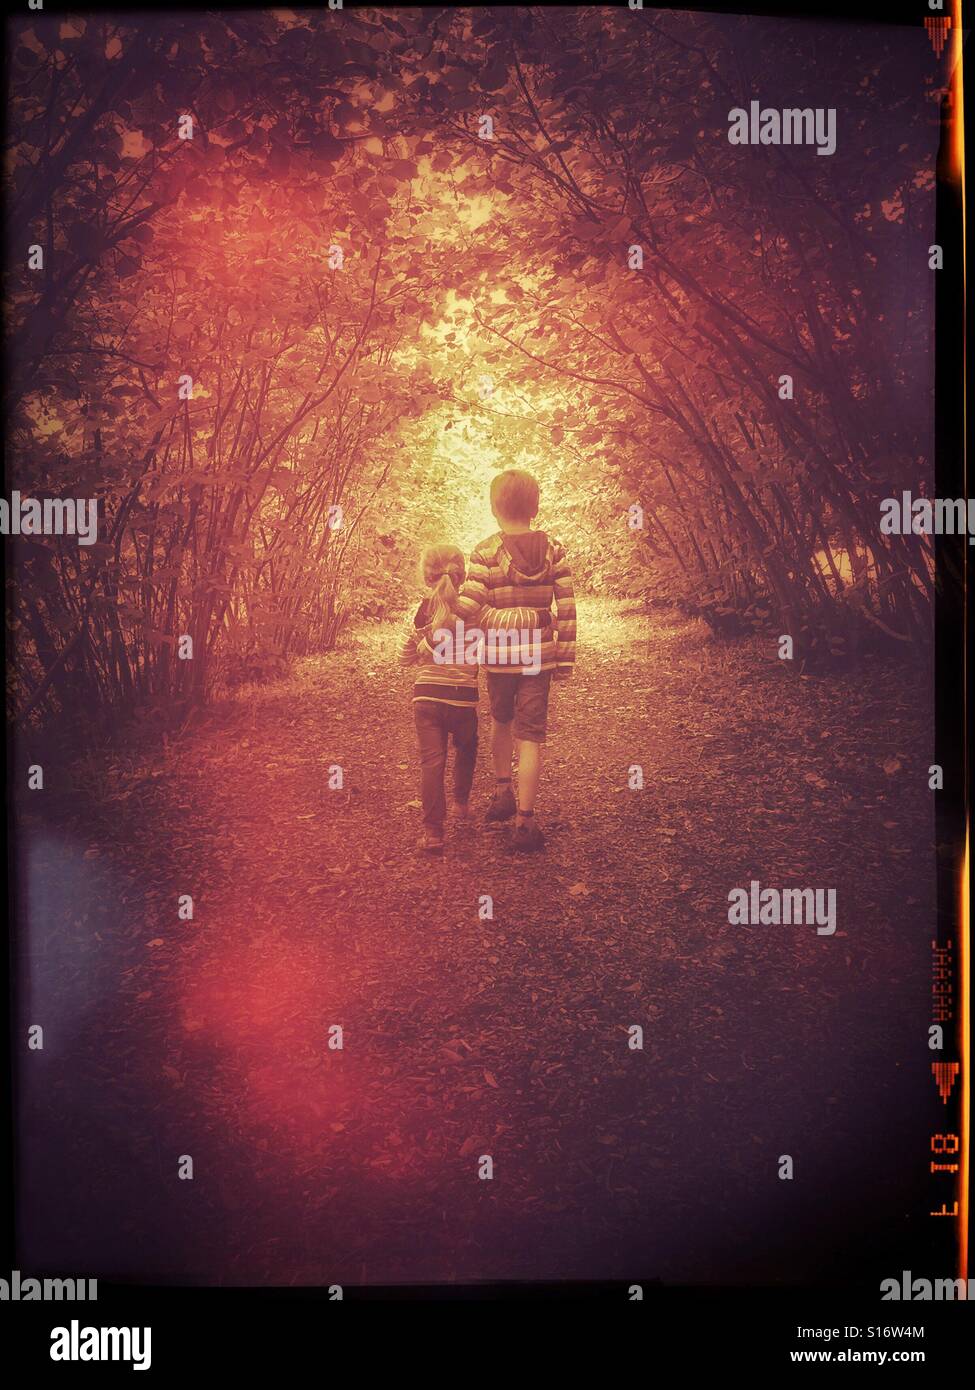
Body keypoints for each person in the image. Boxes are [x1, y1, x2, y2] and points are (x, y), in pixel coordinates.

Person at [450, 469, 576, 852]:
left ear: (494, 507)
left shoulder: (485, 551)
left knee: (501, 721)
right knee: (532, 735)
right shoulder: (555, 549)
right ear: (534, 506)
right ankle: (524, 820)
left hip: (499, 657)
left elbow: (469, 606)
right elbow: (567, 607)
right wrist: (565, 656)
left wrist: (441, 614)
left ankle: (502, 790)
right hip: (539, 658)